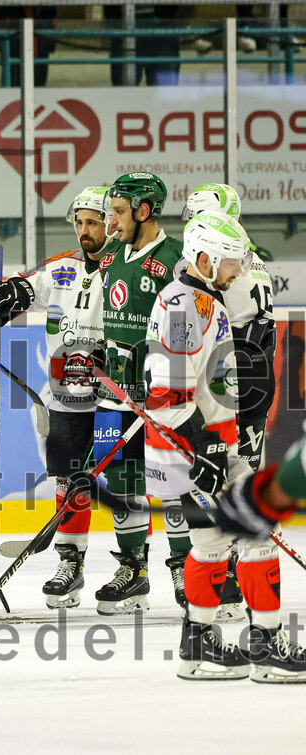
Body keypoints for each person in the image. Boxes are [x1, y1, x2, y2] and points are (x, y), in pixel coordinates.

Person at [144, 210, 306, 682]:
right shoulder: (184, 306)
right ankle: (267, 647)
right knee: (254, 534)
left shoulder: (201, 300)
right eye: (231, 262)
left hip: (199, 446)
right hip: (195, 449)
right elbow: (166, 392)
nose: (238, 271)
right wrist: (205, 449)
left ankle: (197, 646)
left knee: (210, 545)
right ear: (203, 259)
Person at [0, 186, 111, 609]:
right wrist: (11, 292)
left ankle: (141, 568)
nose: (84, 230)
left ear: (112, 221)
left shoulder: (125, 269)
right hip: (66, 396)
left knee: (131, 482)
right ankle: (70, 564)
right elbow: (27, 285)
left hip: (115, 396)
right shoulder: (62, 268)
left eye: (93, 221)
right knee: (67, 479)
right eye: (79, 222)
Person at [95, 172, 190, 615]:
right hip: (117, 393)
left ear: (144, 211)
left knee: (169, 482)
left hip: (162, 396)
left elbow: (196, 323)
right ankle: (134, 570)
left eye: (117, 212)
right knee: (123, 482)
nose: (109, 221)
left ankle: (186, 570)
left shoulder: (177, 258)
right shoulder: (111, 252)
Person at [182, 182, 276, 622]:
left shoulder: (213, 273)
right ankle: (233, 576)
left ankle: (226, 584)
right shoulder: (254, 263)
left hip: (230, 387)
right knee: (243, 479)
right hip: (255, 383)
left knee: (222, 487)